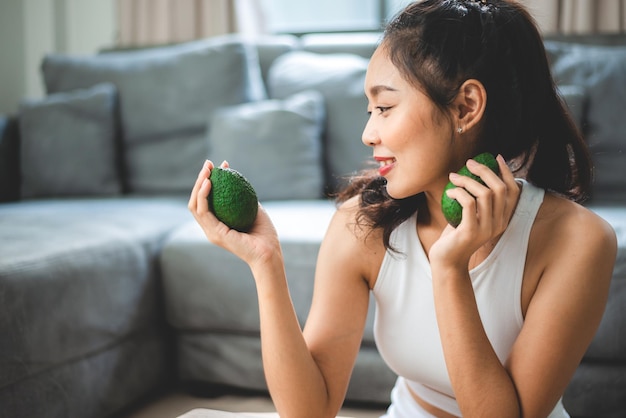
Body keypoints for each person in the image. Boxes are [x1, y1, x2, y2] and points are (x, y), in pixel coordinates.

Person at [188, 0, 618, 416]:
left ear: (466, 106)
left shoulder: (581, 241)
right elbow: (309, 412)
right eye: (369, 109)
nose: (368, 133)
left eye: (385, 107)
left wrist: (450, 269)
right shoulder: (362, 224)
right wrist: (266, 263)